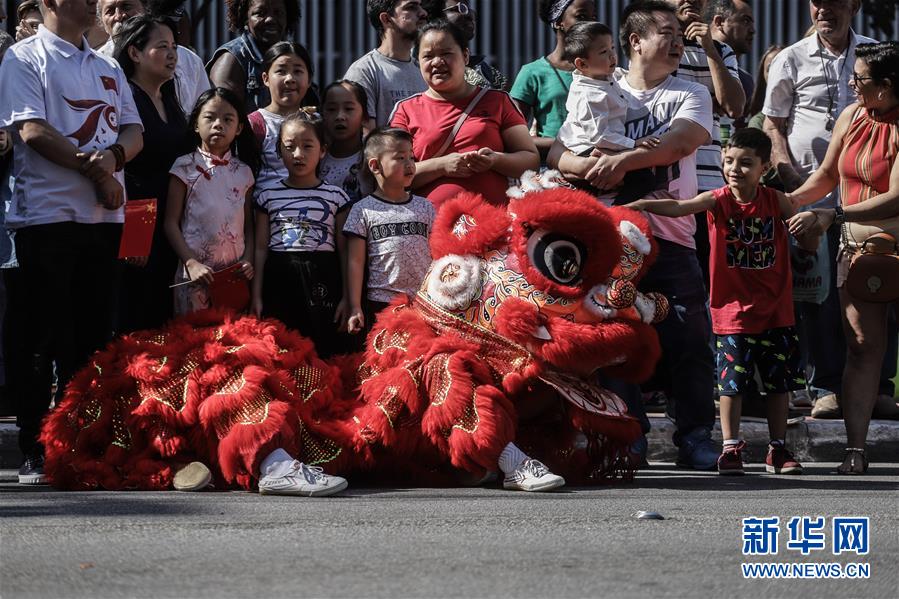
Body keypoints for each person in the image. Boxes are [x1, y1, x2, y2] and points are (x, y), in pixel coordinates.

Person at [549, 0, 718, 470]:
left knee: (689, 336)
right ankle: (630, 432)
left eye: (679, 32)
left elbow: (679, 143)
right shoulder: (597, 83)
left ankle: (696, 435)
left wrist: (622, 162)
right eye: (665, 31)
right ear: (635, 40)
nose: (677, 38)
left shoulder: (689, 91)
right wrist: (582, 166)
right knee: (616, 338)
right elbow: (559, 149)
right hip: (610, 241)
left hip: (672, 235)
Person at [0, 0, 144, 484]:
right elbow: (32, 129)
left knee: (91, 338)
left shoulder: (105, 62)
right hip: (47, 217)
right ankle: (34, 447)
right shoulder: (24, 57)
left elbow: (133, 129)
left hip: (104, 221)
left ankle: (83, 444)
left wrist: (115, 157)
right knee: (39, 336)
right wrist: (96, 170)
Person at [629, 128, 805, 476]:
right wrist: (644, 205)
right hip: (731, 314)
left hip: (776, 312)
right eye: (729, 161)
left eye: (746, 163)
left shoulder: (776, 201)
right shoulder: (718, 199)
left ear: (765, 167)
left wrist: (813, 224)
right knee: (731, 384)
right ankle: (730, 446)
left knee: (778, 385)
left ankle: (778, 449)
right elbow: (680, 207)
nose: (735, 169)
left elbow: (803, 216)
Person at [762, 0, 878, 420]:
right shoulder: (791, 57)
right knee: (818, 295)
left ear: (855, 6)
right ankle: (825, 385)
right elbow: (773, 122)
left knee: (876, 289)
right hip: (810, 192)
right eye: (817, 4)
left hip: (866, 195)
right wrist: (786, 173)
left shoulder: (872, 53)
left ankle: (878, 385)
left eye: (833, 4)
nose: (823, 11)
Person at [787, 42, 899, 473]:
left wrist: (833, 214)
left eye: (860, 79)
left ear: (887, 88)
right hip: (859, 251)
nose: (851, 83)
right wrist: (786, 202)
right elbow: (827, 175)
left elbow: (895, 195)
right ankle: (856, 449)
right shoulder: (852, 117)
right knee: (862, 349)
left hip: (879, 239)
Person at [390, 20, 539, 208]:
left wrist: (495, 160)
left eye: (446, 53)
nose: (437, 62)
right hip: (428, 228)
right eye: (428, 56)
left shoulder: (498, 101)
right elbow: (393, 173)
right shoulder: (405, 110)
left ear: (466, 56)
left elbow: (530, 160)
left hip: (492, 224)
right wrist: (441, 166)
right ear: (418, 62)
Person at [251, 113, 352, 358]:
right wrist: (255, 296)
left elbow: (345, 251)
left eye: (308, 146)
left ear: (323, 150)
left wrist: (348, 298)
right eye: (289, 147)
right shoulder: (266, 196)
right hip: (280, 276)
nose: (298, 154)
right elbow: (261, 248)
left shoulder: (337, 197)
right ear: (278, 151)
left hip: (323, 276)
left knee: (321, 350)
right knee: (282, 350)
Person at [114, 14, 191, 332]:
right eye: (162, 47)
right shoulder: (125, 98)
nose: (173, 54)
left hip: (172, 224)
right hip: (139, 223)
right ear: (134, 53)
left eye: (174, 46)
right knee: (136, 316)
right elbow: (127, 172)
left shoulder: (170, 98)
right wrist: (135, 237)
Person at [164, 88, 257, 315]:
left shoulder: (244, 172)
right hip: (195, 277)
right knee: (194, 345)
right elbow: (170, 223)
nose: (218, 124)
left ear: (239, 128)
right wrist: (191, 263)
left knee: (232, 341)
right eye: (210, 117)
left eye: (227, 119)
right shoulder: (183, 167)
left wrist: (247, 260)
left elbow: (249, 228)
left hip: (233, 278)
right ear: (196, 124)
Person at [343, 128, 435, 337]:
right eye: (400, 158)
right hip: (381, 302)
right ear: (375, 165)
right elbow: (355, 262)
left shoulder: (426, 207)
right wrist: (355, 306)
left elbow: (437, 254)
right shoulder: (363, 210)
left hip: (423, 301)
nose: (409, 163)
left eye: (411, 156)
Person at [509, 0, 596, 161]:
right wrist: (570, 144)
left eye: (593, 17)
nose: (590, 24)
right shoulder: (532, 73)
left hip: (599, 169)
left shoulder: (604, 69)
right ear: (558, 22)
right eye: (581, 16)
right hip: (552, 172)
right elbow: (514, 137)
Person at [96, 0, 210, 116]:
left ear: (146, 9)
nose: (119, 16)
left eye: (126, 7)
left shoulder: (188, 61)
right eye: (110, 11)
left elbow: (205, 115)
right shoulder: (97, 65)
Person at [207, 0, 315, 113]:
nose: (270, 19)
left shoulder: (295, 55)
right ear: (245, 17)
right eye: (260, 13)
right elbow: (221, 116)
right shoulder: (232, 59)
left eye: (278, 13)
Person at [344, 0, 428, 135]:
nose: (423, 13)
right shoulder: (364, 71)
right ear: (387, 19)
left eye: (421, 6)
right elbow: (365, 141)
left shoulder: (424, 69)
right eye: (411, 7)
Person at [246, 41, 313, 200]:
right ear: (265, 78)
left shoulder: (316, 123)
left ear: (309, 80)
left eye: (297, 71)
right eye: (281, 71)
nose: (290, 78)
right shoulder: (254, 124)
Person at [422, 0, 508, 91]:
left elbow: (508, 100)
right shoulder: (424, 66)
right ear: (436, 18)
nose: (469, 15)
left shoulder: (483, 68)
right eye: (459, 8)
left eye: (469, 10)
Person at [707, 0, 755, 141]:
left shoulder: (745, 80)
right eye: (745, 21)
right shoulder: (687, 63)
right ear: (719, 22)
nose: (753, 30)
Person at [320, 79, 369, 203]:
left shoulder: (372, 160)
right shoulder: (315, 158)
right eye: (331, 109)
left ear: (364, 116)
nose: (340, 116)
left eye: (348, 109)